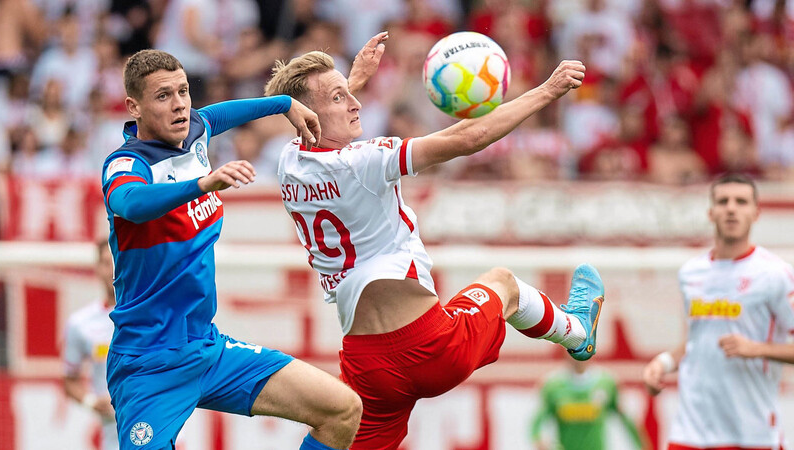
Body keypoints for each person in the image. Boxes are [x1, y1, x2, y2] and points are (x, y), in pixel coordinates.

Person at [265, 32, 605, 449]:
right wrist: (545, 91)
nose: (355, 104)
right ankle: (577, 331)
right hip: (432, 347)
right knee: (504, 283)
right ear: (310, 113)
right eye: (339, 98)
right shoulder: (364, 161)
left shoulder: (287, 162)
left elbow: (309, 121)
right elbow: (465, 139)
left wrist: (348, 84)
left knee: (336, 434)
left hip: (368, 367)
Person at [101, 49, 362, 450]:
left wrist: (284, 103)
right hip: (149, 362)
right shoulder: (126, 163)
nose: (180, 105)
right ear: (133, 106)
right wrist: (202, 186)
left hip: (208, 348)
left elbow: (222, 114)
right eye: (163, 96)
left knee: (342, 409)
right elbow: (130, 203)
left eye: (184, 91)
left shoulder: (194, 132)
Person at [642, 173, 794, 450]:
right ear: (711, 212)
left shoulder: (775, 274)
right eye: (723, 201)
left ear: (756, 213)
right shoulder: (691, 273)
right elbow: (697, 341)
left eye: (741, 202)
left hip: (752, 433)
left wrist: (757, 348)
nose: (731, 208)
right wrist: (662, 363)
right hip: (691, 431)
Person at [63, 239, 117, 450]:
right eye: (105, 262)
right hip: (114, 439)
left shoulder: (154, 315)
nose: (112, 268)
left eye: (116, 260)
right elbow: (70, 379)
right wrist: (91, 402)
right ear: (97, 269)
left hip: (164, 432)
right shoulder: (80, 324)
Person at [530, 359, 645, 450]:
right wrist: (538, 439)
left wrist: (641, 445)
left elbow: (625, 417)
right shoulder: (553, 385)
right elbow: (537, 420)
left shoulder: (607, 382)